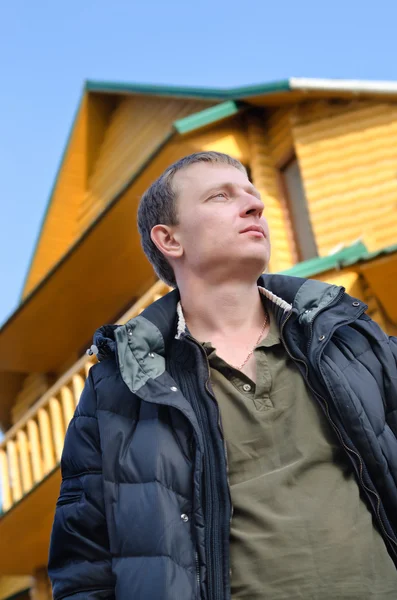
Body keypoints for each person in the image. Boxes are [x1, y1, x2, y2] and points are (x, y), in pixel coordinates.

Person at [48, 151, 397, 599]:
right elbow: (84, 572)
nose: (255, 207)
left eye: (253, 195)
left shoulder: (351, 341)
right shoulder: (119, 392)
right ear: (169, 240)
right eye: (220, 196)